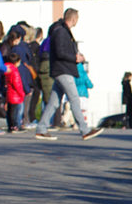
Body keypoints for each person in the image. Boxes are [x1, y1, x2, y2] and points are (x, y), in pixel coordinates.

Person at [35, 9, 103, 141]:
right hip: (63, 70)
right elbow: (60, 52)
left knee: (54, 102)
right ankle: (85, 130)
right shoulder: (61, 32)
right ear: (73, 19)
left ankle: (41, 129)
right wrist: (75, 58)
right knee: (74, 99)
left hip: (61, 69)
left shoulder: (61, 30)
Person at [4, 52, 28, 132]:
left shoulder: (7, 69)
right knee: (17, 112)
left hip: (9, 94)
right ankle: (17, 126)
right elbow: (17, 84)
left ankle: (10, 126)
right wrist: (22, 93)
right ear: (16, 62)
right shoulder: (14, 71)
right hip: (16, 95)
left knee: (10, 111)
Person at [74, 60, 95, 129]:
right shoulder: (83, 73)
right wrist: (91, 85)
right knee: (84, 110)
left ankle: (76, 123)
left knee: (76, 109)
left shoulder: (73, 73)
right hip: (83, 93)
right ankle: (84, 123)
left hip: (75, 93)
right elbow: (89, 84)